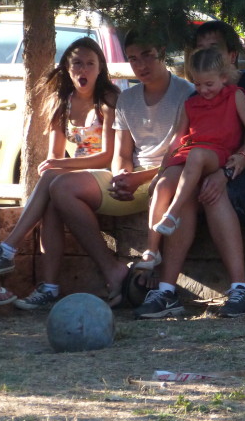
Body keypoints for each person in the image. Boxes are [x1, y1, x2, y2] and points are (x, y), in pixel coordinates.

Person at [138, 20, 245, 319]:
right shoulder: (196, 97)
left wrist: (229, 171)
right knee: (183, 187)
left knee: (211, 191)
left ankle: (240, 287)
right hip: (202, 161)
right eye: (200, 50)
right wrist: (161, 171)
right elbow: (180, 139)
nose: (205, 56)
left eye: (213, 49)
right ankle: (166, 289)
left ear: (231, 57)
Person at [47, 26, 194, 315]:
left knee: (173, 187)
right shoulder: (127, 99)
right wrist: (119, 176)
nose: (141, 65)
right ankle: (112, 270)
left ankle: (165, 291)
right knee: (60, 187)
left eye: (148, 56)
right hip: (134, 179)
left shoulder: (186, 93)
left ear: (162, 54)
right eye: (133, 58)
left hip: (169, 175)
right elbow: (122, 154)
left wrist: (138, 177)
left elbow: (181, 153)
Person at [0, 38, 119, 308]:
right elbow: (55, 155)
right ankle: (49, 287)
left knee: (52, 176)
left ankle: (8, 247)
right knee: (51, 194)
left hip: (107, 175)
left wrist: (58, 167)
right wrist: (56, 166)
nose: (83, 70)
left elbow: (108, 155)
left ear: (100, 68)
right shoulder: (62, 103)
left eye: (89, 64)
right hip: (78, 179)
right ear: (66, 68)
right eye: (77, 63)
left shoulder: (108, 100)